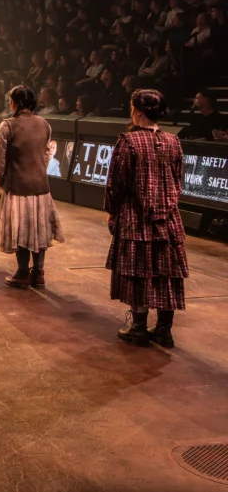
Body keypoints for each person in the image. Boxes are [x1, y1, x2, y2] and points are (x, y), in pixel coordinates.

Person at [105, 89, 189, 348]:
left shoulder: (128, 142)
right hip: (169, 218)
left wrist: (112, 211)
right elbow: (178, 180)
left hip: (136, 217)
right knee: (166, 271)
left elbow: (116, 184)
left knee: (138, 271)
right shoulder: (174, 141)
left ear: (137, 111)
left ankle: (138, 326)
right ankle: (164, 329)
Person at [0, 85, 65, 289]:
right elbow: (46, 154)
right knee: (40, 231)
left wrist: (1, 181)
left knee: (21, 231)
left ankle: (22, 272)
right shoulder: (44, 124)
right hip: (41, 187)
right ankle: (39, 272)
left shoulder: (7, 126)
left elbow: (0, 161)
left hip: (17, 187)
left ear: (13, 103)